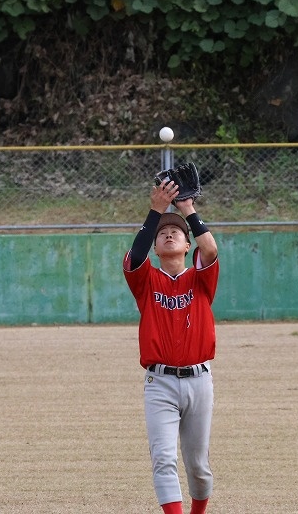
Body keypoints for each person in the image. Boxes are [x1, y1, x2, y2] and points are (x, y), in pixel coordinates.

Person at [123, 177, 219, 514]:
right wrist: (156, 211)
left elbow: (211, 250)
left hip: (199, 381)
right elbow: (135, 255)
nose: (168, 234)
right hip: (159, 383)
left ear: (187, 244)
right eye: (162, 232)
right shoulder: (146, 280)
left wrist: (188, 210)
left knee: (198, 467)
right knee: (164, 459)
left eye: (176, 231)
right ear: (155, 247)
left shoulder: (201, 278)